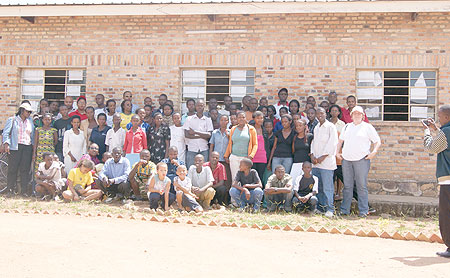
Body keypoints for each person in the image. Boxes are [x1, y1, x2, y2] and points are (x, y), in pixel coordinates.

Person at [337, 106, 381, 217]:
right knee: (347, 186)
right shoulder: (347, 127)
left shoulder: (367, 127)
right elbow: (340, 141)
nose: (357, 115)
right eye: (354, 113)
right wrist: (337, 152)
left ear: (363, 115)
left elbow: (377, 141)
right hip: (347, 160)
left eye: (359, 113)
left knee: (361, 186)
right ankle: (344, 210)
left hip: (361, 160)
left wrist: (373, 152)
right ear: (351, 116)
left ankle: (363, 210)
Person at [423, 105, 450, 258]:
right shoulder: (445, 132)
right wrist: (435, 129)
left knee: (446, 215)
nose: (438, 120)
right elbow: (444, 142)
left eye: (440, 117)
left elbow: (432, 147)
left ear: (446, 117)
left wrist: (427, 132)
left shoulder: (446, 132)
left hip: (448, 180)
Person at [2, 103, 35, 196]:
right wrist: (6, 144)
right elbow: (6, 133)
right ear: (22, 110)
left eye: (30, 112)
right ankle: (10, 190)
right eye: (27, 111)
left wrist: (33, 148)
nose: (28, 113)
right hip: (15, 147)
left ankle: (23, 191)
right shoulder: (12, 120)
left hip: (27, 147)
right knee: (13, 169)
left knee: (25, 169)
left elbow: (32, 135)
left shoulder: (30, 121)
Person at [310, 107, 338, 218]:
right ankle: (321, 208)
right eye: (317, 113)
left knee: (328, 187)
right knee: (319, 187)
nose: (319, 115)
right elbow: (313, 143)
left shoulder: (331, 127)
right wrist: (312, 155)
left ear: (326, 114)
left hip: (326, 163)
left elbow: (333, 143)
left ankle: (330, 209)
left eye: (321, 113)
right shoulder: (316, 127)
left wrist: (323, 157)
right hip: (316, 163)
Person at [224, 111, 258, 181]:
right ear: (236, 119)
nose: (241, 119)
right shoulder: (233, 129)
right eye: (239, 117)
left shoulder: (251, 129)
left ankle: (244, 191)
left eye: (243, 117)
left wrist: (251, 156)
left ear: (246, 119)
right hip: (234, 157)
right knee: (235, 178)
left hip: (245, 158)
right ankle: (234, 192)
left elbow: (255, 144)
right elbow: (230, 143)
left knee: (245, 178)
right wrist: (226, 156)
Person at [183, 99, 213, 168]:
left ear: (204, 107)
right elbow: (187, 135)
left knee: (203, 170)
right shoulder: (189, 119)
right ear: (195, 107)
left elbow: (209, 135)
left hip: (204, 149)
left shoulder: (208, 120)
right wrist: (202, 135)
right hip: (192, 149)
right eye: (198, 106)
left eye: (201, 106)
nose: (200, 107)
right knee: (190, 170)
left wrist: (195, 132)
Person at [209, 114, 231, 192]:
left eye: (225, 120)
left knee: (227, 178)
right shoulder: (215, 132)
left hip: (226, 159)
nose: (223, 122)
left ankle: (227, 197)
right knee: (216, 178)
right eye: (221, 120)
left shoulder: (231, 132)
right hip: (216, 160)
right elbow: (211, 146)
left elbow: (232, 145)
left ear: (228, 122)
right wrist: (210, 157)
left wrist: (229, 137)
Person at [329, 104, 346, 200]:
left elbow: (344, 139)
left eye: (336, 111)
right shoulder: (327, 123)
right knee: (331, 175)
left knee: (339, 175)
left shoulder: (342, 124)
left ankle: (338, 192)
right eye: (333, 110)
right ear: (330, 112)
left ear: (339, 113)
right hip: (329, 152)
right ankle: (331, 193)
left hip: (339, 152)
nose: (334, 112)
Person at [290, 119, 313, 183]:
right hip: (296, 163)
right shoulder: (294, 137)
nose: (298, 127)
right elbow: (293, 150)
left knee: (307, 182)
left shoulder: (310, 136)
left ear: (305, 126)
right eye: (297, 126)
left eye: (300, 125)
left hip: (307, 164)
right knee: (294, 182)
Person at [251, 111, 270, 182]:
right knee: (252, 176)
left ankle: (259, 192)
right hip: (252, 156)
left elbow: (267, 145)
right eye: (258, 118)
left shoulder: (264, 130)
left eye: (261, 118)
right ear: (254, 119)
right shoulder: (250, 129)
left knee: (260, 177)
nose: (260, 120)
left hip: (262, 157)